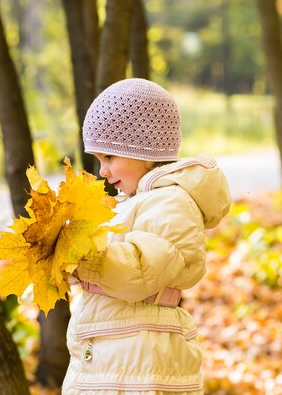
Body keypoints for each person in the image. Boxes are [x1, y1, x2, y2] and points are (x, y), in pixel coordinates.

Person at [63, 78, 231, 394]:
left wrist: (82, 256)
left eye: (109, 158)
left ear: (145, 150)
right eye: (99, 160)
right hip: (112, 355)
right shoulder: (134, 202)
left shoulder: (172, 201)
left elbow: (140, 271)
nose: (102, 171)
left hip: (141, 363)